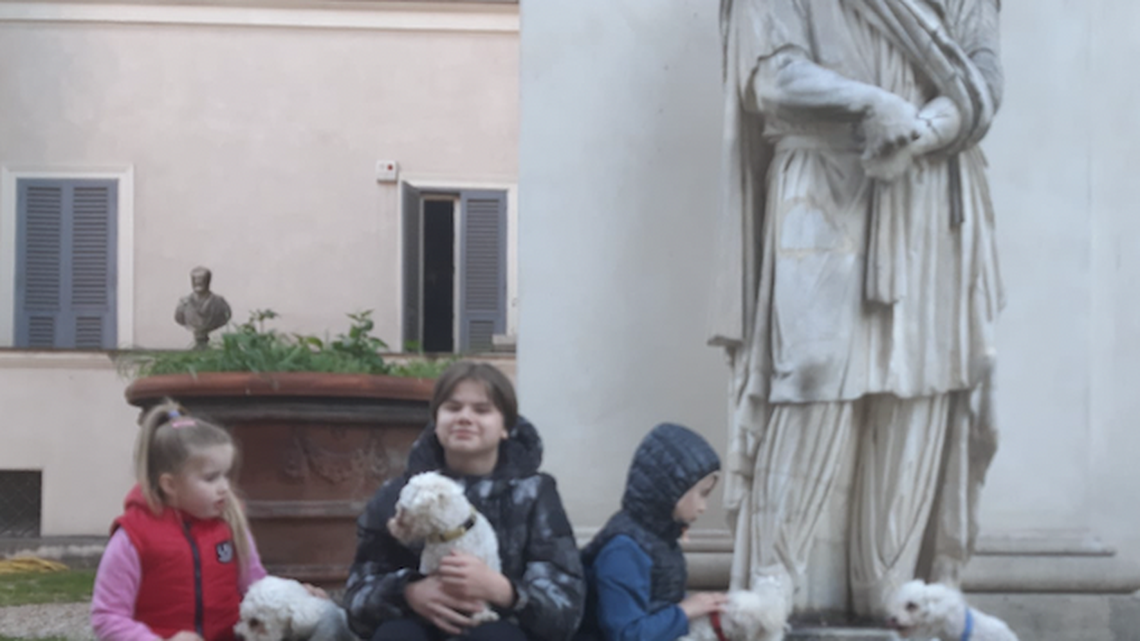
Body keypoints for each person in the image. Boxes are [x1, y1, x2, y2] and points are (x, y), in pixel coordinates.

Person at [711, 0, 1003, 616]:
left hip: (928, 185)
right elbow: (772, 76)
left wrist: (924, 131)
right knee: (812, 370)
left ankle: (892, 590)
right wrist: (872, 104)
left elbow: (981, 80)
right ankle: (776, 579)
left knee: (917, 378)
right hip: (821, 177)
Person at [344, 361, 586, 641]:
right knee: (396, 635)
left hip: (501, 626)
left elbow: (567, 609)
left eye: (482, 410)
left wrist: (504, 591)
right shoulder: (399, 495)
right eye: (453, 408)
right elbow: (356, 597)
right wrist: (407, 592)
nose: (465, 418)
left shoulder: (534, 494)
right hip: (417, 625)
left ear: (505, 427)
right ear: (436, 421)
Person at [90, 401, 267, 641]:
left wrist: (294, 597)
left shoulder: (231, 523)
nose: (225, 487)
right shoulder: (133, 537)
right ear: (170, 485)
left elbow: (257, 589)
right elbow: (107, 617)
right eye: (211, 478)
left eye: (226, 475)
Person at [577, 423, 726, 641]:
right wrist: (686, 611)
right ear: (671, 488)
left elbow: (662, 600)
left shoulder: (661, 540)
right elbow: (626, 634)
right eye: (702, 494)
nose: (704, 507)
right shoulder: (623, 550)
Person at [175, 267, 232, 348]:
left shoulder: (219, 303)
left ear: (208, 281)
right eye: (195, 279)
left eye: (202, 279)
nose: (198, 282)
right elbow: (179, 318)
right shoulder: (183, 304)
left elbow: (226, 316)